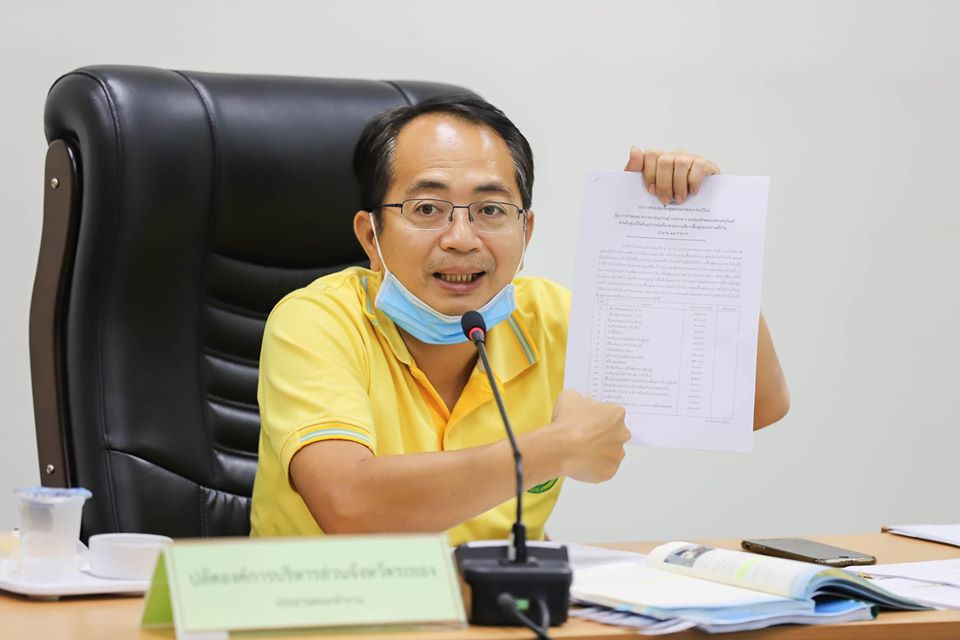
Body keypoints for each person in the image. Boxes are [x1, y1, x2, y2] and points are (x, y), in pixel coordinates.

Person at [249, 96, 789, 545]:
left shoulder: (550, 318)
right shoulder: (316, 321)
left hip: (497, 613)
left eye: (490, 210)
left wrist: (690, 235)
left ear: (526, 233)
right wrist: (554, 448)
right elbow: (350, 506)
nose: (461, 239)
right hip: (330, 615)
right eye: (427, 209)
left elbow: (755, 404)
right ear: (371, 237)